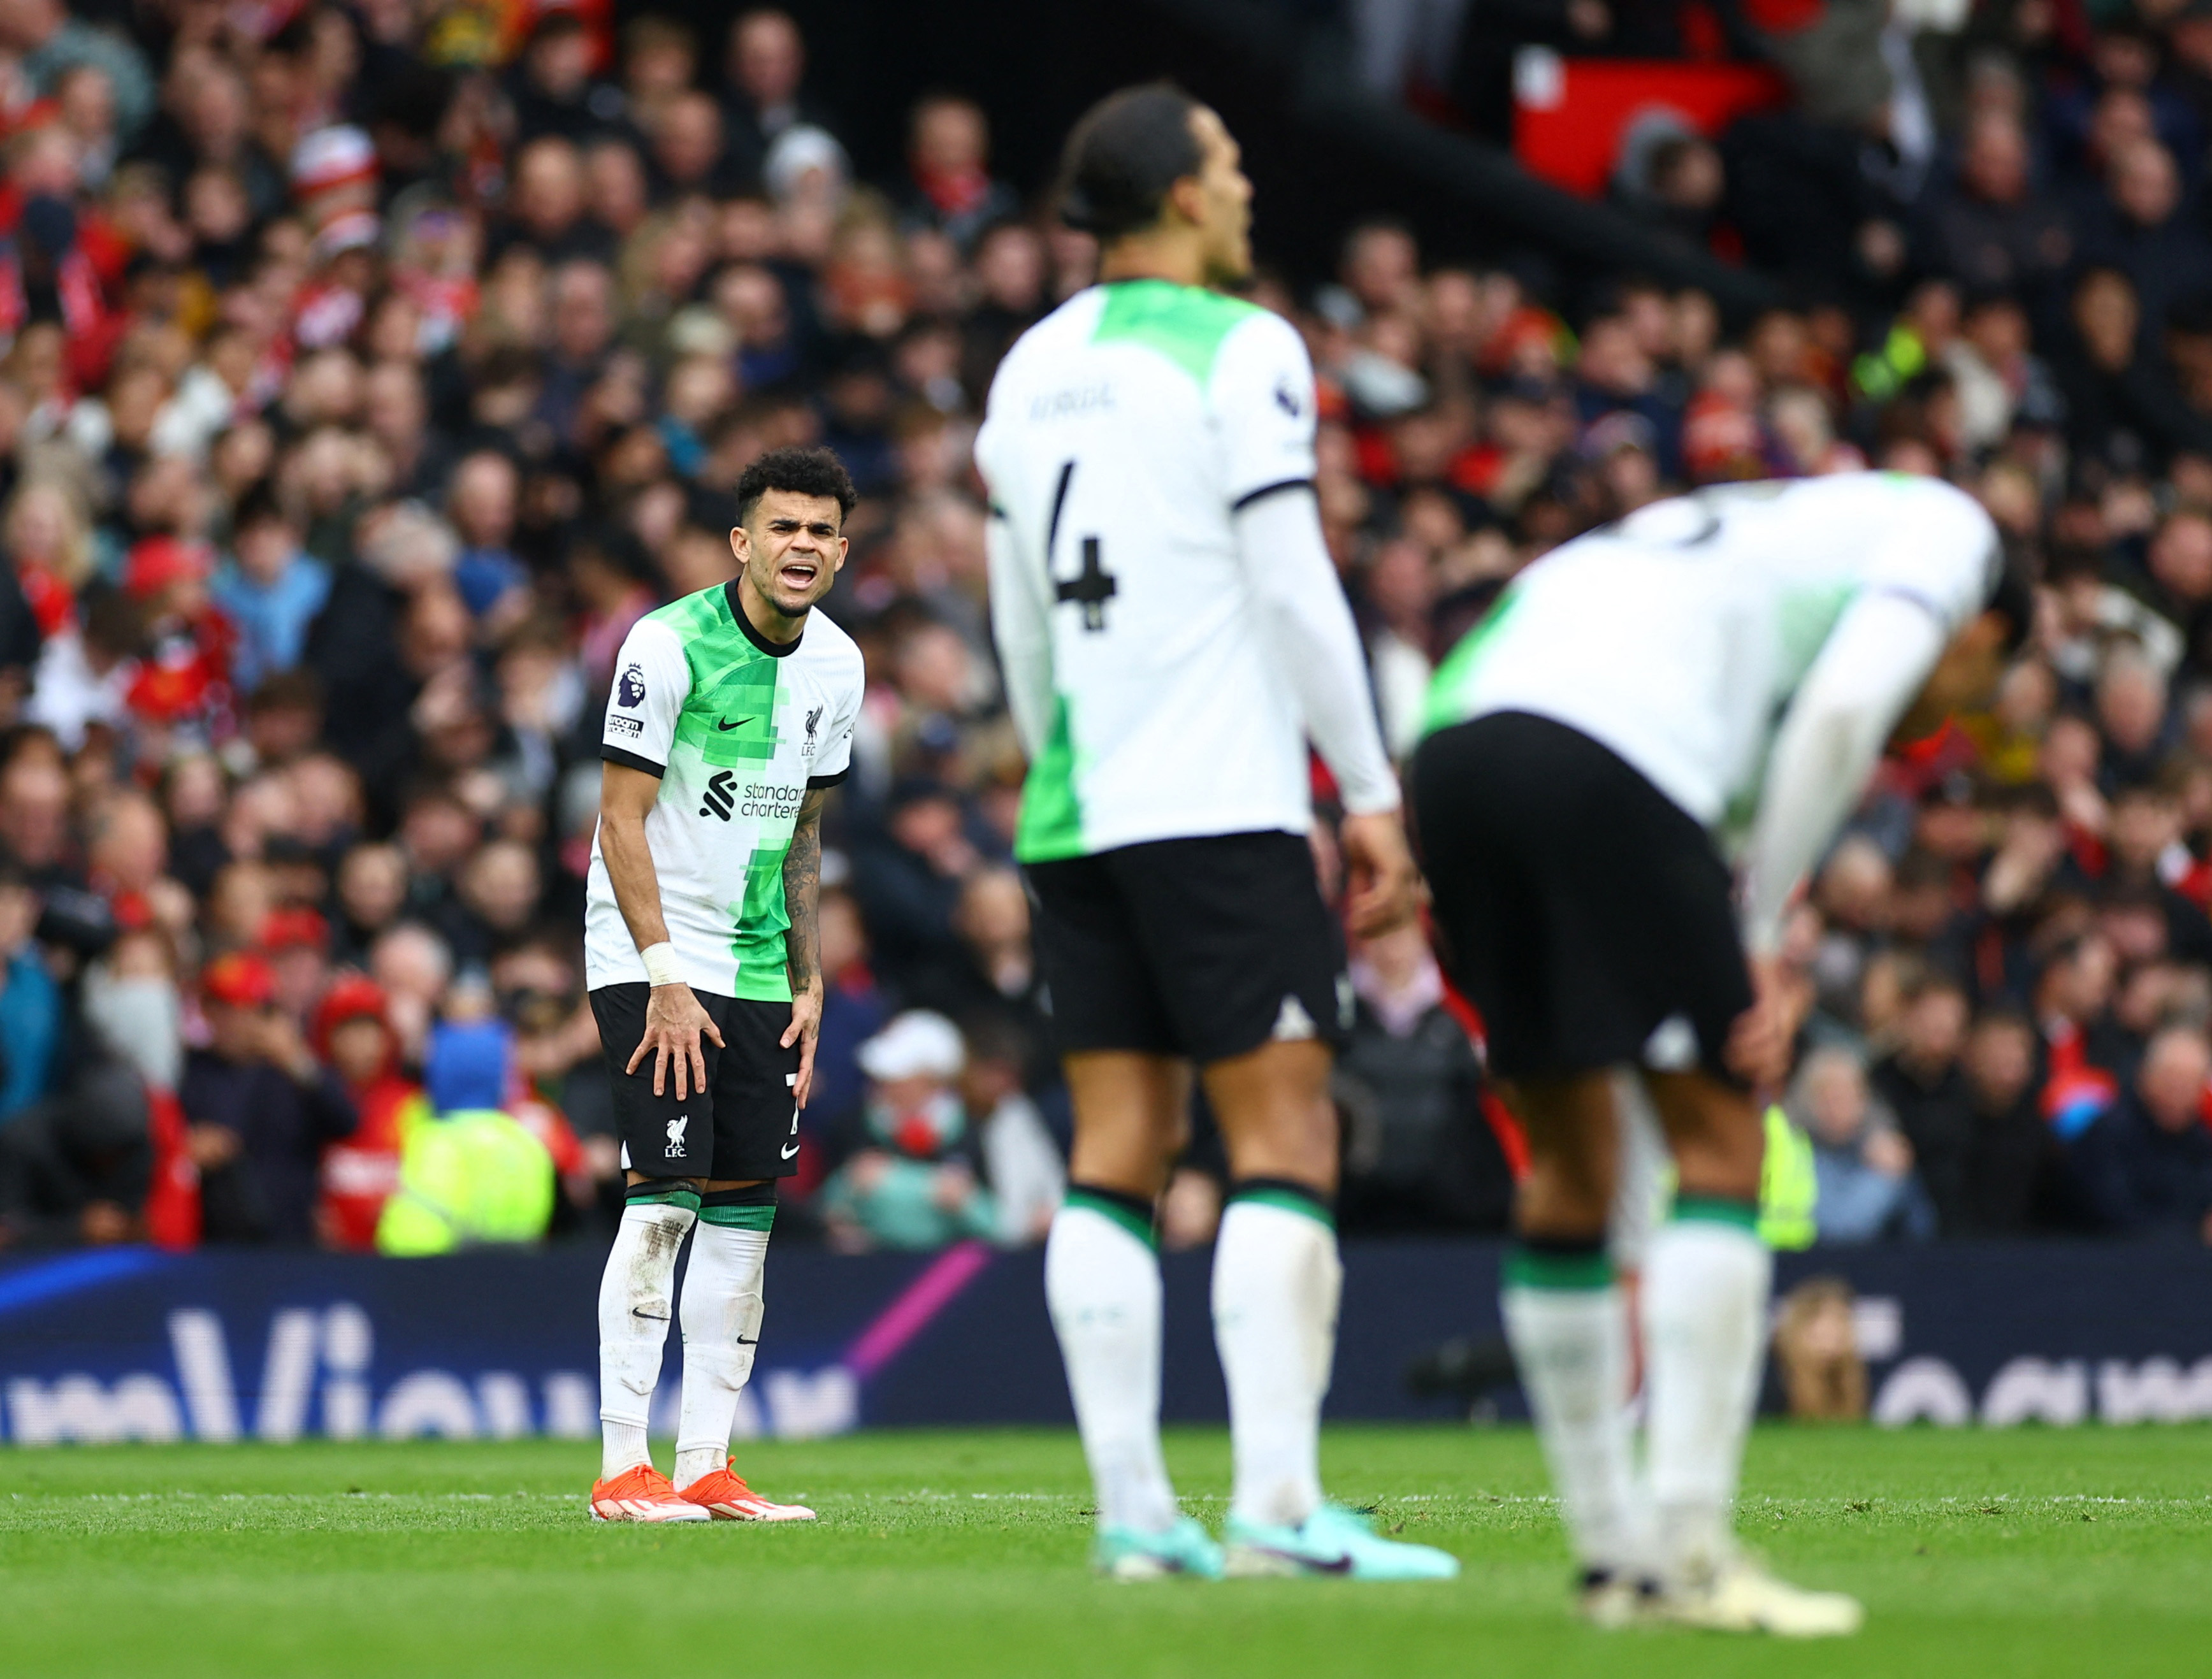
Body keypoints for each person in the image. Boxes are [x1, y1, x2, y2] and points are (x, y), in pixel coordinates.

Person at [1412, 473, 2030, 1633]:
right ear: (1983, 631)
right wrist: (1755, 944)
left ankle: (1613, 1557)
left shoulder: (1765, 536)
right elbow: (1846, 711)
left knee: (1573, 1166)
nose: (1944, 723)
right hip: (1610, 750)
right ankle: (1690, 1553)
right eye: (1974, 690)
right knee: (1723, 1141)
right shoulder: (1951, 531)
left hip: (1453, 750)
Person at [976, 83, 1454, 1583]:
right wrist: (1365, 789)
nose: (1246, 186)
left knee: (1113, 1150)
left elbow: (1019, 624)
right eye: (1230, 165)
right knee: (1282, 1137)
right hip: (1216, 802)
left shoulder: (1027, 368)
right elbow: (1293, 581)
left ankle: (1134, 1516)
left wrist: (1062, 756)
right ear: (1184, 196)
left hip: (1076, 806)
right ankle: (1276, 1507)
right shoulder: (1245, 347)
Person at [583, 445, 864, 1525]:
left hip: (759, 964)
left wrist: (808, 976)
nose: (803, 546)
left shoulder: (838, 666)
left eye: (821, 531)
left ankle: (706, 1461)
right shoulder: (667, 645)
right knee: (665, 1198)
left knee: (745, 1210)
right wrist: (662, 973)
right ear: (743, 542)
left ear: (842, 552)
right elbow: (619, 820)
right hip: (654, 953)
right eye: (783, 527)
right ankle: (623, 1466)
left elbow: (805, 828)